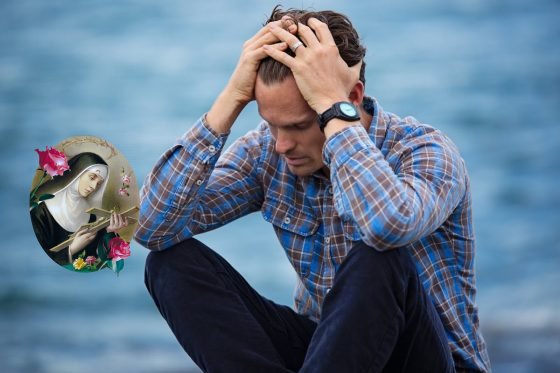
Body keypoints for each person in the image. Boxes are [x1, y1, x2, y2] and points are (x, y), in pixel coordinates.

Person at [135, 6, 491, 372]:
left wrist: (332, 109)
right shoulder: (267, 153)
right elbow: (151, 227)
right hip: (326, 353)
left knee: (380, 255)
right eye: (272, 125)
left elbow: (387, 225)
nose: (281, 145)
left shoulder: (425, 152)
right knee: (169, 264)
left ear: (351, 98)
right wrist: (230, 100)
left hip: (429, 361)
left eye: (300, 125)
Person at [31, 152, 128, 266]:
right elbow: (36, 258)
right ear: (78, 172)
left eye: (99, 183)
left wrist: (110, 232)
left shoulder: (91, 214)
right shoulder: (41, 212)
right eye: (92, 177)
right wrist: (72, 249)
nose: (93, 187)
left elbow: (97, 257)